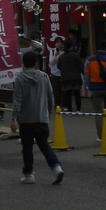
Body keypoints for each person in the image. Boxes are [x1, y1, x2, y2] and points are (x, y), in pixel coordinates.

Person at [10, 49, 64, 185]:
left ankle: (29, 174)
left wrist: (14, 119)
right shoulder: (44, 77)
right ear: (35, 62)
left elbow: (17, 100)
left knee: (27, 148)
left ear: (23, 63)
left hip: (26, 120)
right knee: (44, 146)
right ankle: (56, 167)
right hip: (41, 118)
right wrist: (48, 112)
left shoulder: (19, 79)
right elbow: (50, 96)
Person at [83, 40, 106, 141]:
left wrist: (90, 87)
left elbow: (86, 75)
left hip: (95, 88)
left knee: (98, 112)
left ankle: (101, 136)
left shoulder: (89, 60)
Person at [56, 41, 84, 113]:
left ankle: (70, 109)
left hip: (65, 78)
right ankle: (78, 109)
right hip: (76, 77)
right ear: (71, 47)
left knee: (68, 95)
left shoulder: (61, 57)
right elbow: (81, 66)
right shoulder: (76, 55)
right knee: (77, 94)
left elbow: (58, 66)